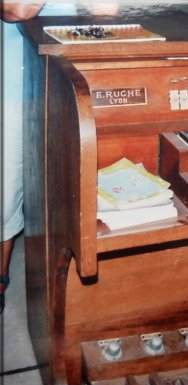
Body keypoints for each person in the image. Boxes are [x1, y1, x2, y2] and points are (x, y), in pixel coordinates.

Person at [1, 2, 47, 313]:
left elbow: (108, 13)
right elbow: (14, 9)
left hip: (62, 78)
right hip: (13, 83)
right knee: (6, 192)